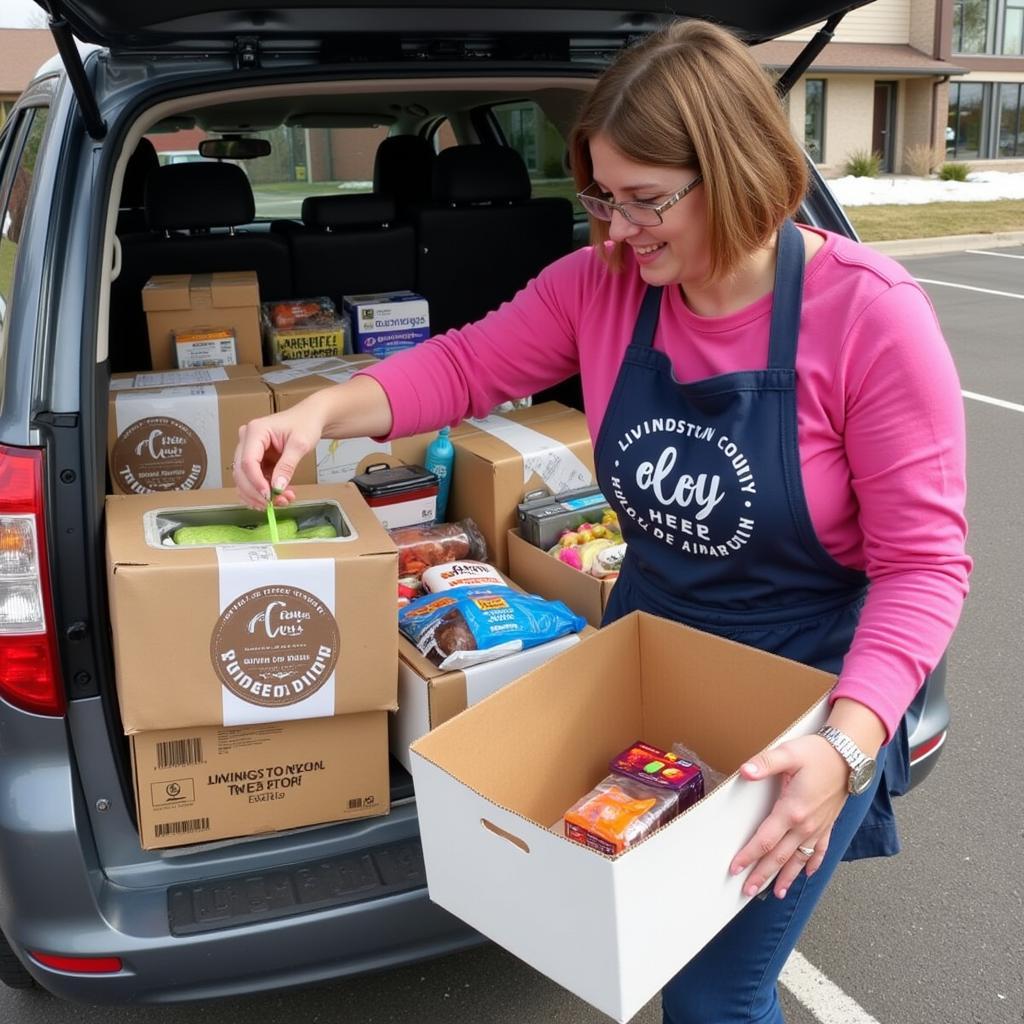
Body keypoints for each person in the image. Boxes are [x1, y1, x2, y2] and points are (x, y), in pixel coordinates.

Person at [234, 20, 970, 1024]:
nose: (615, 232)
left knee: (718, 990)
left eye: (644, 201)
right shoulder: (604, 286)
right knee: (642, 919)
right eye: (601, 199)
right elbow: (462, 365)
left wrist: (845, 746)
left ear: (736, 168)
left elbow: (923, 566)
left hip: (805, 689)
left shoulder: (869, 316)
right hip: (651, 642)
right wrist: (321, 409)